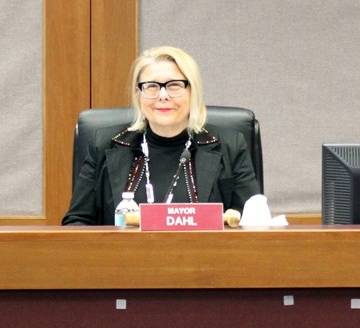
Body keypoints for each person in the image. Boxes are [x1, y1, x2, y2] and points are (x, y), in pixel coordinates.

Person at [63, 46, 260, 225]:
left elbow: (254, 224)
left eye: (174, 85)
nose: (163, 95)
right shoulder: (104, 145)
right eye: (151, 86)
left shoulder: (230, 145)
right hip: (124, 262)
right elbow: (77, 223)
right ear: (138, 94)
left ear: (193, 91)